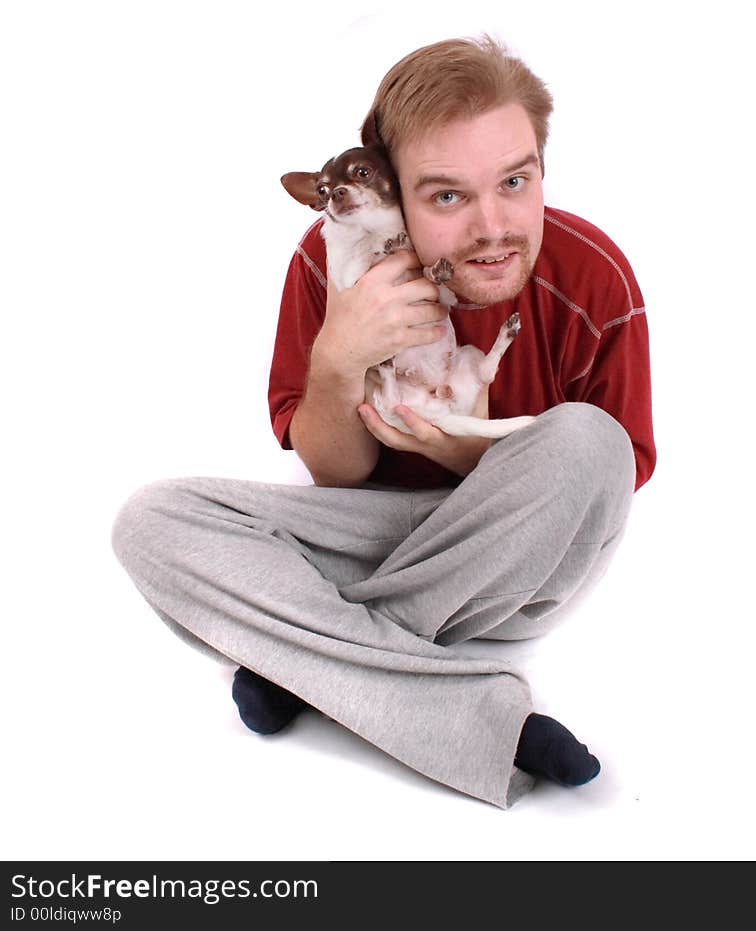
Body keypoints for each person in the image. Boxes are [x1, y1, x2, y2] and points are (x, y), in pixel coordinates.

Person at [111, 35, 656, 809]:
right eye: (446, 196)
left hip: (515, 562)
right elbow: (334, 473)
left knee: (589, 437)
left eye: (514, 181)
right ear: (393, 190)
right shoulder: (329, 261)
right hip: (372, 525)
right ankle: (482, 718)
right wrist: (336, 357)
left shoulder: (593, 273)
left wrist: (480, 467)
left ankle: (306, 660)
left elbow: (611, 481)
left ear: (542, 170)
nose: (492, 225)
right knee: (151, 521)